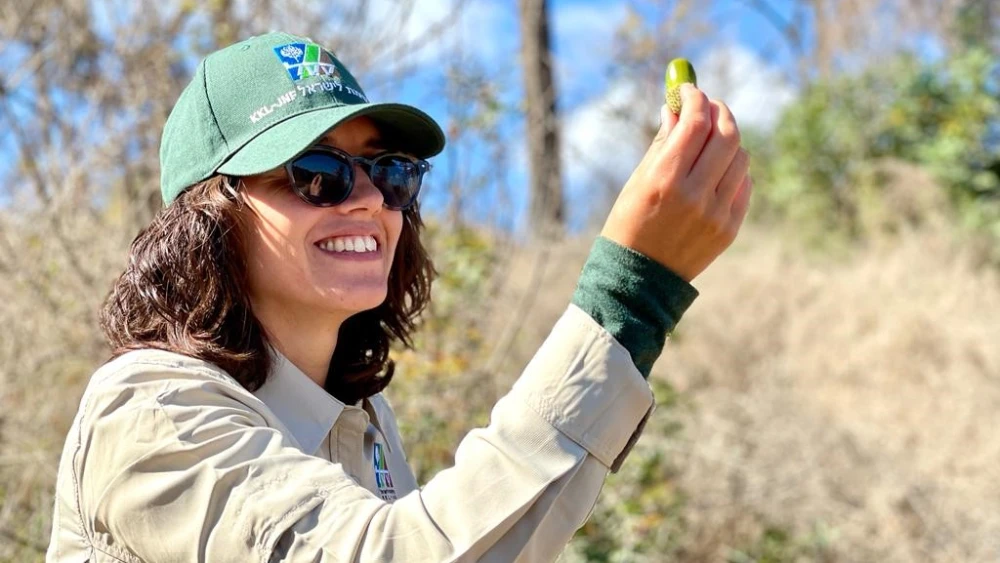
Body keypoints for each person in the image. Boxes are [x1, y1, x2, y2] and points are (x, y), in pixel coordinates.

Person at [46, 31, 750, 562]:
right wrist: (631, 295)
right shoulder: (148, 411)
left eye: (390, 173)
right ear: (210, 215)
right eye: (317, 172)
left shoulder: (365, 421)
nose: (368, 202)